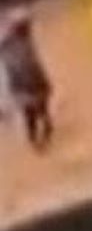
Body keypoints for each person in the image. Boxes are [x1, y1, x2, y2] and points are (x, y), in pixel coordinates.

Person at [0, 10, 53, 151]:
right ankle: (35, 139)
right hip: (23, 82)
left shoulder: (22, 36)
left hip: (33, 78)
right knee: (31, 113)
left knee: (40, 108)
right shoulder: (11, 41)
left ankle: (44, 129)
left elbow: (25, 17)